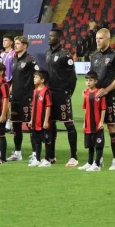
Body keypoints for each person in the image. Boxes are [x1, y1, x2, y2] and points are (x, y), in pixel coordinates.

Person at [89, 28, 115, 170]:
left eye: (101, 38)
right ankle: (99, 159)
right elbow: (91, 76)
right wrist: (89, 91)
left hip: (110, 97)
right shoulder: (94, 56)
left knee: (111, 126)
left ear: (108, 39)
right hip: (96, 98)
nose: (98, 40)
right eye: (97, 38)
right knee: (97, 128)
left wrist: (106, 90)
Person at [45, 28, 79, 167]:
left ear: (59, 38)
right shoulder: (47, 53)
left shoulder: (66, 55)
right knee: (51, 124)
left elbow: (73, 77)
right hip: (50, 93)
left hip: (62, 93)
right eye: (49, 35)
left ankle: (74, 157)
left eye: (52, 36)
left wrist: (68, 93)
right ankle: (51, 156)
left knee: (68, 123)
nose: (49, 38)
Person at [8, 36, 38, 162]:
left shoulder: (30, 60)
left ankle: (36, 153)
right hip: (15, 97)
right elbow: (15, 77)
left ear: (25, 45)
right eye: (15, 43)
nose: (15, 45)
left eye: (18, 43)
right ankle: (18, 153)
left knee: (31, 126)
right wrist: (11, 86)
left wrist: (33, 94)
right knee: (16, 126)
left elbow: (37, 78)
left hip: (27, 97)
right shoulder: (14, 58)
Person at [78, 72, 107, 172]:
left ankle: (97, 164)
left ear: (96, 81)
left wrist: (101, 122)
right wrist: (84, 123)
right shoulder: (86, 94)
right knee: (90, 145)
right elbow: (86, 109)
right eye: (86, 80)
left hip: (97, 124)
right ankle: (90, 162)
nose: (88, 82)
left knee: (98, 145)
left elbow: (103, 109)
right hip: (89, 124)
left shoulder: (100, 93)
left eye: (90, 80)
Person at [27, 70, 53, 168]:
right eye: (34, 77)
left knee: (46, 140)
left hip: (43, 121)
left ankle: (47, 160)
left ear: (42, 80)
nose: (34, 79)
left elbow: (48, 106)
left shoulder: (46, 91)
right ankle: (37, 159)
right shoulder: (35, 91)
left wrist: (46, 120)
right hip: (35, 121)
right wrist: (31, 119)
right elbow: (33, 106)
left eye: (36, 77)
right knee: (37, 141)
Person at [0, 34, 15, 131]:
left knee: (10, 103)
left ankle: (11, 123)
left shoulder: (14, 54)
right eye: (3, 40)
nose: (4, 42)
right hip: (3, 81)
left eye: (6, 40)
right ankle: (8, 121)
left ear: (11, 42)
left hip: (11, 80)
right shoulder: (1, 54)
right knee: (5, 102)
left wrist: (13, 84)